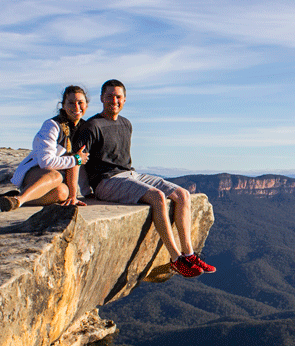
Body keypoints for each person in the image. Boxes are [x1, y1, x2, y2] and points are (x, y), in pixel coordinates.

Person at [73, 79, 215, 278]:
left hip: (130, 174)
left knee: (182, 194)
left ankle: (189, 254)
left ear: (124, 99)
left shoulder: (126, 124)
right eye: (109, 96)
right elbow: (75, 159)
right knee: (157, 197)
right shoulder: (91, 126)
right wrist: (76, 193)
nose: (114, 101)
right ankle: (176, 259)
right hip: (106, 181)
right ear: (101, 98)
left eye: (118, 97)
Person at [0, 85, 91, 211]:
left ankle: (10, 199)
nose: (76, 107)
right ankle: (19, 200)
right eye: (71, 103)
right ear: (63, 105)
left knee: (62, 193)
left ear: (86, 105)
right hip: (36, 173)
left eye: (80, 103)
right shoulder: (52, 126)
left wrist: (73, 196)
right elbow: (46, 162)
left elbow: (75, 163)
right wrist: (76, 159)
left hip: (56, 180)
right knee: (56, 176)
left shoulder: (84, 128)